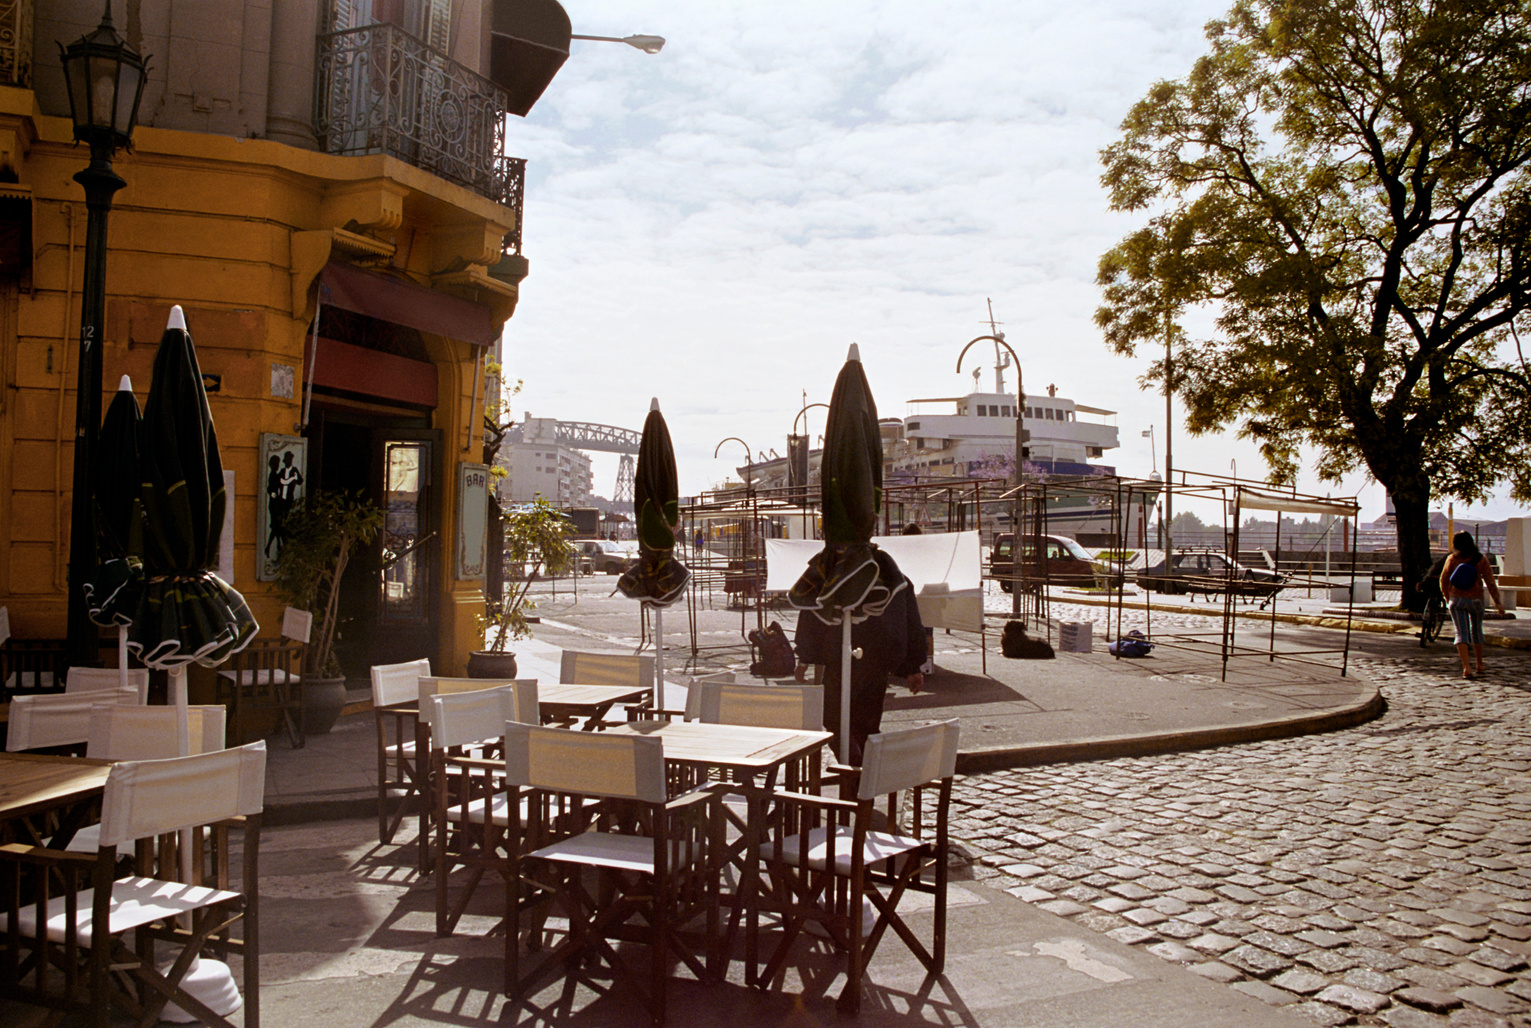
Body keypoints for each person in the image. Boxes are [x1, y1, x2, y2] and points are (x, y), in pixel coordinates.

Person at [793, 550, 926, 764]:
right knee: (861, 726)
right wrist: (913, 666)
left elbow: (811, 614)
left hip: (848, 661)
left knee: (837, 721)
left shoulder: (831, 569)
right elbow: (910, 621)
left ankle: (857, 775)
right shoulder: (888, 572)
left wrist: (804, 658)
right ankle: (863, 776)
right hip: (871, 662)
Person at [1439, 531, 1504, 680]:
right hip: (1476, 600)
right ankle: (1480, 664)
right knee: (1477, 631)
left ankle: (1466, 667)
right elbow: (1490, 582)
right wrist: (1498, 603)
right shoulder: (1481, 559)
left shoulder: (1452, 558)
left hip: (1457, 600)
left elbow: (1443, 580)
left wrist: (1448, 598)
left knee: (1461, 633)